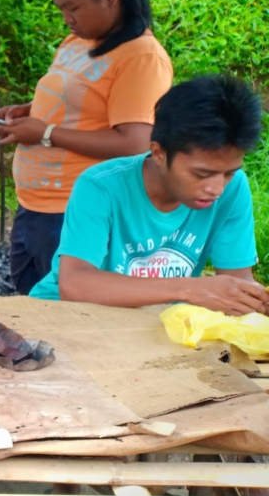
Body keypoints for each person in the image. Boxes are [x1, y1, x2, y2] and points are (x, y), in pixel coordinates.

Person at [0, 0, 173, 295]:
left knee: (65, 320)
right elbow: (78, 105)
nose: (66, 19)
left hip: (76, 212)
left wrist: (45, 133)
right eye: (61, 8)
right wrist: (28, 112)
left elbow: (135, 142)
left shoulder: (141, 58)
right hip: (34, 207)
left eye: (72, 8)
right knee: (30, 313)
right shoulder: (78, 42)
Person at [31, 75, 268, 316]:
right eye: (201, 174)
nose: (216, 188)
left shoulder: (234, 188)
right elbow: (75, 285)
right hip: (65, 316)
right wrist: (189, 289)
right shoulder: (101, 186)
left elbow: (237, 285)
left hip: (150, 322)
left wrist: (254, 302)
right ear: (159, 153)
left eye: (228, 173)